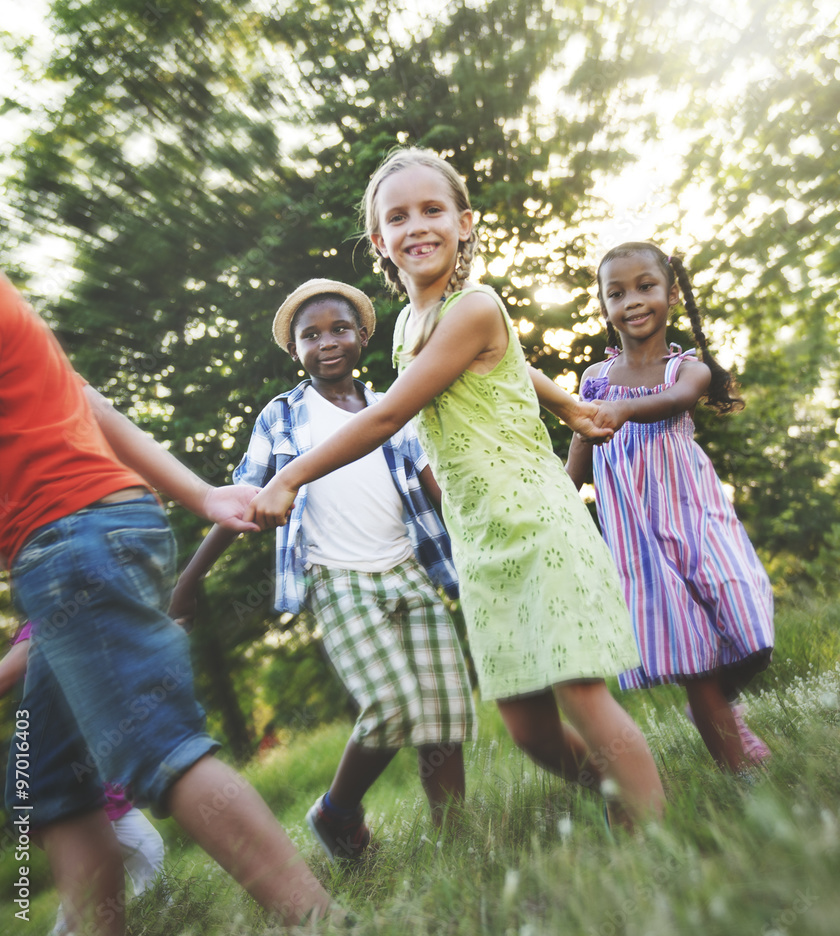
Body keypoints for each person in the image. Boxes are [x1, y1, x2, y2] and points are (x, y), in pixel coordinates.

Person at [246, 148, 666, 827]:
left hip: (535, 519)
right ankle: (622, 806)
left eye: (433, 210)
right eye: (399, 216)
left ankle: (656, 837)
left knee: (581, 692)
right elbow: (493, 366)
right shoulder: (412, 327)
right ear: (380, 241)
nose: (418, 226)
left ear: (464, 223)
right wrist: (564, 402)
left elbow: (388, 414)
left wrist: (291, 476)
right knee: (526, 726)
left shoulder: (476, 305)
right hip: (477, 539)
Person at [0, 273, 340, 935]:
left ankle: (321, 922)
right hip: (90, 536)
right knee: (48, 781)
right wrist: (203, 495)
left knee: (156, 748)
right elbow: (86, 400)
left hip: (72, 539)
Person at [170, 279, 476, 862]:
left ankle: (457, 844)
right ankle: (335, 813)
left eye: (339, 329)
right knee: (389, 707)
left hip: (409, 569)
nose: (327, 342)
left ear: (363, 335)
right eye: (311, 335)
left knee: (444, 713)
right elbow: (240, 499)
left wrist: (479, 547)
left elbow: (436, 491)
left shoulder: (393, 406)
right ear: (295, 351)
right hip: (338, 579)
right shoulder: (284, 417)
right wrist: (187, 585)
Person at [566, 241, 775, 774]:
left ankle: (719, 698)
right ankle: (740, 770)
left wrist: (620, 409)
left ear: (671, 294)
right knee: (693, 661)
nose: (632, 301)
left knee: (751, 631)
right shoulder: (593, 381)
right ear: (604, 305)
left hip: (697, 519)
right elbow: (580, 461)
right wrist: (561, 507)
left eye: (645, 287)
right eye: (617, 293)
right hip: (639, 541)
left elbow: (676, 401)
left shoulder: (688, 369)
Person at [0, 624, 166, 934]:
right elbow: (6, 674)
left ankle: (151, 921)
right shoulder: (45, 620)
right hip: (60, 783)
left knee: (121, 867)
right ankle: (147, 921)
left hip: (97, 784)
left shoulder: (101, 616)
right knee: (96, 885)